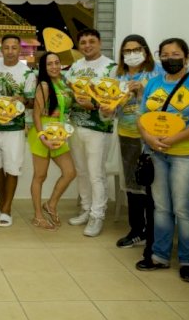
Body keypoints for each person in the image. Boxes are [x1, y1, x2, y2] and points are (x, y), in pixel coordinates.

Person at [135, 38, 189, 283]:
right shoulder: (153, 83)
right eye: (165, 54)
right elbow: (142, 117)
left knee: (184, 208)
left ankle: (187, 260)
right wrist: (149, 138)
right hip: (157, 154)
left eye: (175, 54)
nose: (170, 58)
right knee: (161, 207)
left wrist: (173, 139)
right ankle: (159, 256)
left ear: (186, 56)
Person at [111, 35, 163, 248]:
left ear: (145, 50)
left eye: (136, 49)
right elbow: (114, 107)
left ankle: (154, 234)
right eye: (127, 51)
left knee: (151, 186)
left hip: (152, 136)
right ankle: (136, 230)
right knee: (132, 185)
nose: (131, 54)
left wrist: (141, 93)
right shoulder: (118, 75)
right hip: (127, 135)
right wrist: (108, 107)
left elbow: (161, 104)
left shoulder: (157, 71)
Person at [65, 28, 117, 237]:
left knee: (96, 173)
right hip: (76, 125)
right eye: (83, 42)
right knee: (82, 171)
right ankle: (86, 209)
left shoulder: (111, 67)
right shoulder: (76, 66)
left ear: (100, 43)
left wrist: (94, 104)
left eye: (91, 41)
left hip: (99, 128)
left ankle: (98, 215)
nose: (87, 45)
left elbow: (116, 99)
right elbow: (67, 88)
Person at [0, 34, 36, 227]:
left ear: (20, 49)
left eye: (14, 47)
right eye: (6, 47)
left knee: (12, 168)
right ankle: (2, 202)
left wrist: (23, 99)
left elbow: (31, 101)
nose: (10, 51)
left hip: (14, 127)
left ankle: (6, 209)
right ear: (1, 48)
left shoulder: (27, 73)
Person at [27, 52, 77, 230]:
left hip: (59, 132)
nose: (54, 66)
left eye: (57, 63)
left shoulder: (63, 82)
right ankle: (37, 216)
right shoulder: (44, 85)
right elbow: (36, 114)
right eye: (50, 64)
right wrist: (42, 136)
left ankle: (51, 204)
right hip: (44, 133)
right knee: (40, 176)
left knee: (70, 172)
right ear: (44, 67)